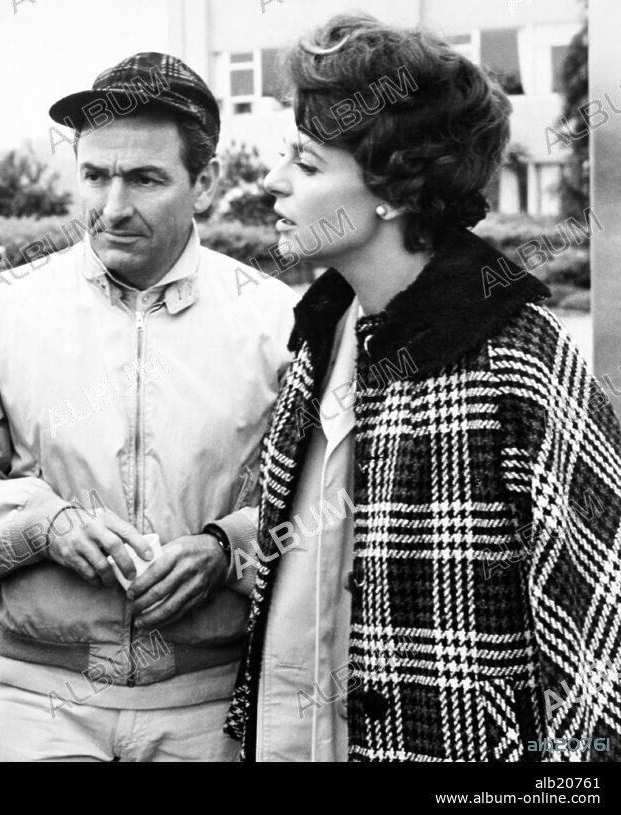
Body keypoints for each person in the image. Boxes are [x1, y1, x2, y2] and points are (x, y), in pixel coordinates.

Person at [225, 13, 621, 762]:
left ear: (393, 188)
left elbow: (603, 636)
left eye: (307, 166)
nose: (274, 183)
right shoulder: (325, 326)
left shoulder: (517, 355)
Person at [0, 52, 300, 762]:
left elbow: (326, 494)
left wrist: (225, 548)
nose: (112, 207)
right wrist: (45, 526)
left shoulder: (276, 320)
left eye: (145, 178)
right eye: (95, 175)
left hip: (213, 701)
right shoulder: (5, 308)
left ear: (203, 183)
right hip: (39, 701)